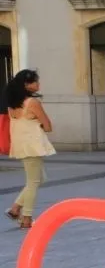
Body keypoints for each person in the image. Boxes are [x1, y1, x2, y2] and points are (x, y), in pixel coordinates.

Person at [5, 69, 55, 229]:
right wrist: (39, 125)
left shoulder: (12, 105)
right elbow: (48, 126)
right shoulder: (32, 103)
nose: (38, 84)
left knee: (39, 179)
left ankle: (15, 209)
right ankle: (26, 218)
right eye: (35, 82)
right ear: (27, 85)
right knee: (34, 181)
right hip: (33, 146)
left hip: (21, 145)